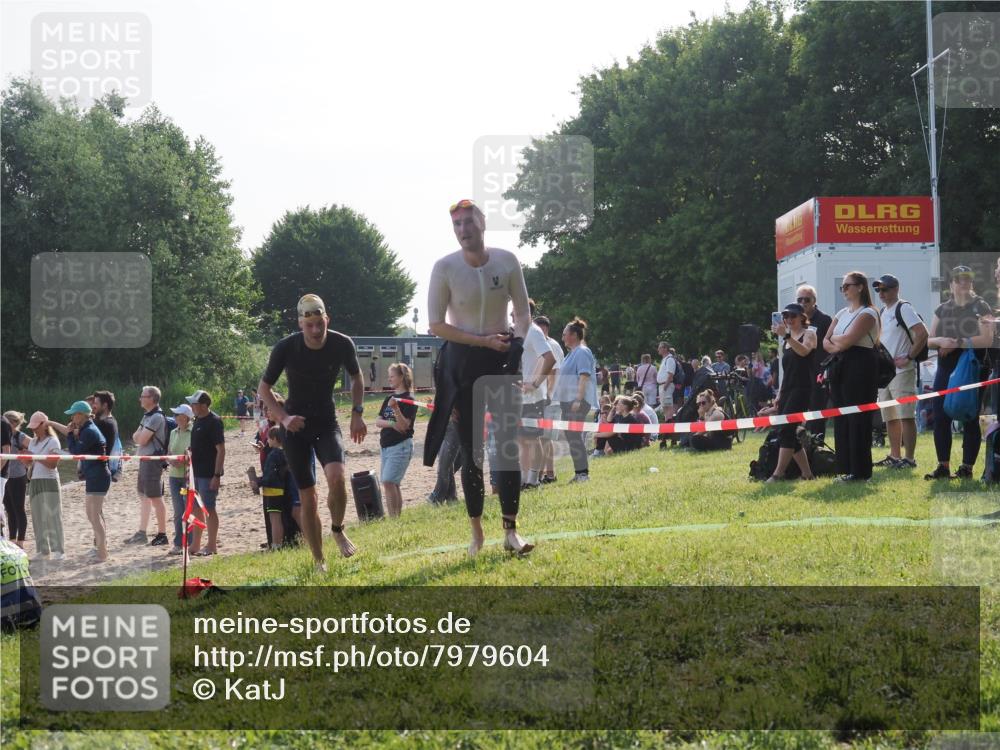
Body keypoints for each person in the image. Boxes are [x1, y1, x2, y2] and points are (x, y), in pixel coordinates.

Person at [423, 198, 533, 556]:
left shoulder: (507, 260)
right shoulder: (444, 267)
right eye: (456, 224)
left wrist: (517, 340)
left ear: (482, 223)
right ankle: (476, 534)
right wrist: (480, 341)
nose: (463, 230)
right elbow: (437, 324)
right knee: (471, 453)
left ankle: (511, 531)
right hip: (463, 362)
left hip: (500, 359)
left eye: (468, 222)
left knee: (506, 447)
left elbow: (523, 311)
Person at [258, 293, 367, 572]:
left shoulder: (342, 343)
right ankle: (319, 560)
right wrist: (283, 418)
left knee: (337, 477)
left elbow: (356, 377)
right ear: (300, 324)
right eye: (310, 326)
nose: (316, 331)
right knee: (309, 497)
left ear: (326, 319)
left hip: (326, 422)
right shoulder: (286, 347)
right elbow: (264, 389)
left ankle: (338, 529)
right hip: (296, 428)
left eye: (321, 323)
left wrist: (357, 413)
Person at [924, 265, 994, 480]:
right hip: (945, 370)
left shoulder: (981, 306)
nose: (964, 283)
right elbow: (928, 340)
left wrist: (958, 343)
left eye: (967, 280)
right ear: (951, 284)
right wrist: (941, 341)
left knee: (970, 416)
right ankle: (943, 466)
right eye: (959, 280)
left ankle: (967, 467)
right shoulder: (942, 309)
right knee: (940, 416)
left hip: (973, 369)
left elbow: (988, 339)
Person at [823, 271, 880, 481]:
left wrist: (837, 341)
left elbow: (846, 341)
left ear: (860, 287)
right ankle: (844, 468)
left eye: (848, 286)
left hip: (861, 366)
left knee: (858, 419)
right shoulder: (841, 313)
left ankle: (860, 471)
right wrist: (839, 341)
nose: (844, 290)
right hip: (840, 365)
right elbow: (825, 341)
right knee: (841, 418)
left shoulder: (869, 313)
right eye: (843, 287)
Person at [872, 275, 929, 470]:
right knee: (890, 416)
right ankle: (895, 456)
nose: (881, 293)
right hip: (886, 373)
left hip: (903, 370)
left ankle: (910, 458)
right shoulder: (882, 311)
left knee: (906, 415)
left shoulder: (903, 307)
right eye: (878, 289)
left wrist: (909, 357)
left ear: (896, 289)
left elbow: (922, 333)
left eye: (885, 289)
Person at [760, 303, 817, 481]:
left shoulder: (809, 334)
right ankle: (807, 475)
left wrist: (786, 336)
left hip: (803, 389)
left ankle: (778, 473)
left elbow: (804, 352)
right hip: (788, 389)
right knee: (787, 431)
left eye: (792, 316)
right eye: (786, 316)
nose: (789, 319)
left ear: (802, 317)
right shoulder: (786, 339)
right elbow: (788, 371)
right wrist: (779, 396)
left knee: (786, 429)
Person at [62, 400, 111, 560]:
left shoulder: (89, 430)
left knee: (94, 516)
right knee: (91, 515)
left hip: (99, 475)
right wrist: (74, 434)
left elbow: (76, 452)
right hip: (93, 475)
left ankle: (102, 553)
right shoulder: (86, 429)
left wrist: (70, 434)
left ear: (81, 415)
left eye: (73, 415)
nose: (71, 419)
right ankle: (100, 549)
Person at [553, 317, 598, 484]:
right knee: (571, 436)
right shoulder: (572, 353)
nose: (562, 337)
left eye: (564, 334)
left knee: (574, 436)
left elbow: (584, 376)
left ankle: (583, 474)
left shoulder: (582, 351)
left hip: (577, 401)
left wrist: (578, 399)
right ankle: (580, 472)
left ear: (573, 335)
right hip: (568, 401)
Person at [516, 308, 556, 490]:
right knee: (522, 441)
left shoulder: (534, 331)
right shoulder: (519, 332)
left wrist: (536, 383)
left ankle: (533, 480)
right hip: (521, 396)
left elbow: (550, 358)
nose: (512, 317)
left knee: (533, 440)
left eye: (515, 313)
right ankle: (524, 479)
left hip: (533, 397)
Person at [124, 386, 169, 547]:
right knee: (144, 496)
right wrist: (140, 435)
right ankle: (142, 532)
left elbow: (140, 439)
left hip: (152, 461)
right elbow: (136, 436)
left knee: (156, 497)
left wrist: (140, 435)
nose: (140, 399)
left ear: (151, 398)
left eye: (142, 396)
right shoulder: (147, 416)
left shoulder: (156, 417)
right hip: (145, 460)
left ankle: (162, 534)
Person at [186, 390, 226, 556]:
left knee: (209, 508)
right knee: (196, 508)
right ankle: (195, 545)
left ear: (203, 405)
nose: (192, 407)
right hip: (195, 473)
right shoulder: (197, 420)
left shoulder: (214, 422)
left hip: (208, 474)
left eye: (194, 404)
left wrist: (216, 476)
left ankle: (211, 545)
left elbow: (221, 450)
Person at [376, 362, 418, 517]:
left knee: (388, 482)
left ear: (401, 377)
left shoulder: (409, 399)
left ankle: (394, 518)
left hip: (401, 445)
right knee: (392, 483)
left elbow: (404, 426)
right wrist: (392, 423)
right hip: (386, 447)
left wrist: (395, 409)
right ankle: (396, 518)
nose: (389, 379)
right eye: (389, 376)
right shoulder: (389, 397)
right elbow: (378, 422)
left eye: (392, 376)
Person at [23, 412, 63, 560]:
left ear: (44, 425)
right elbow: (31, 463)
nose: (33, 430)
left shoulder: (53, 441)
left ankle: (59, 550)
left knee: (53, 515)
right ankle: (43, 550)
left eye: (36, 427)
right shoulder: (33, 442)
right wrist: (26, 459)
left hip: (49, 480)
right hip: (34, 480)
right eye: (32, 427)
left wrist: (35, 457)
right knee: (37, 516)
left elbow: (53, 464)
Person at [796, 284, 833, 439]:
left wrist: (826, 371)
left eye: (807, 299)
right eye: (799, 299)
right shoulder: (795, 319)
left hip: (818, 373)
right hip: (798, 373)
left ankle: (817, 447)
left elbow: (831, 346)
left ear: (814, 301)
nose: (803, 303)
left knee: (817, 412)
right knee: (796, 412)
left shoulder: (824, 320)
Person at [534, 315, 564, 485]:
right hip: (543, 398)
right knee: (544, 438)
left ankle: (541, 474)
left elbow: (553, 373)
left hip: (550, 400)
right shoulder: (544, 344)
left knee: (543, 438)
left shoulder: (550, 345)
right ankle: (548, 473)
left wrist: (549, 395)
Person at [165, 403, 194, 555]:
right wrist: (171, 460)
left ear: (186, 417)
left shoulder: (193, 431)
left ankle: (190, 542)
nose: (175, 417)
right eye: (175, 415)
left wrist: (185, 460)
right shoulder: (173, 432)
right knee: (178, 511)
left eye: (178, 414)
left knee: (188, 510)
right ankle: (178, 543)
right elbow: (169, 451)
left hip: (188, 476)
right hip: (174, 476)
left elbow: (195, 451)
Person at [2, 412, 29, 549]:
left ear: (12, 423)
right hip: (5, 476)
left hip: (18, 476)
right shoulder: (4, 434)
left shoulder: (20, 436)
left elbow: (35, 446)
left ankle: (21, 542)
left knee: (19, 509)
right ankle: (12, 540)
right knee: (9, 509)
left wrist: (26, 457)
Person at [259, 429, 289, 549]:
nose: (267, 441)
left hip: (272, 491)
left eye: (269, 438)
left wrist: (258, 482)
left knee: (274, 518)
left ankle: (277, 544)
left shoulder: (274, 455)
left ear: (275, 439)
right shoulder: (283, 452)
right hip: (280, 489)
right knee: (278, 517)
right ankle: (278, 543)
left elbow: (270, 475)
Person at [88, 391, 119, 482]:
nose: (93, 406)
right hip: (101, 469)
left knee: (95, 496)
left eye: (96, 403)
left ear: (104, 405)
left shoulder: (103, 424)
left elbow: (82, 440)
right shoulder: (111, 420)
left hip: (99, 471)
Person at [656, 342, 677, 421]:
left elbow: (670, 375)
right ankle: (667, 424)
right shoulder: (665, 359)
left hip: (666, 386)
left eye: (660, 347)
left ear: (665, 349)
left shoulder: (670, 359)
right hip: (663, 386)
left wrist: (665, 387)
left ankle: (669, 426)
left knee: (668, 407)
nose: (658, 349)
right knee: (665, 408)